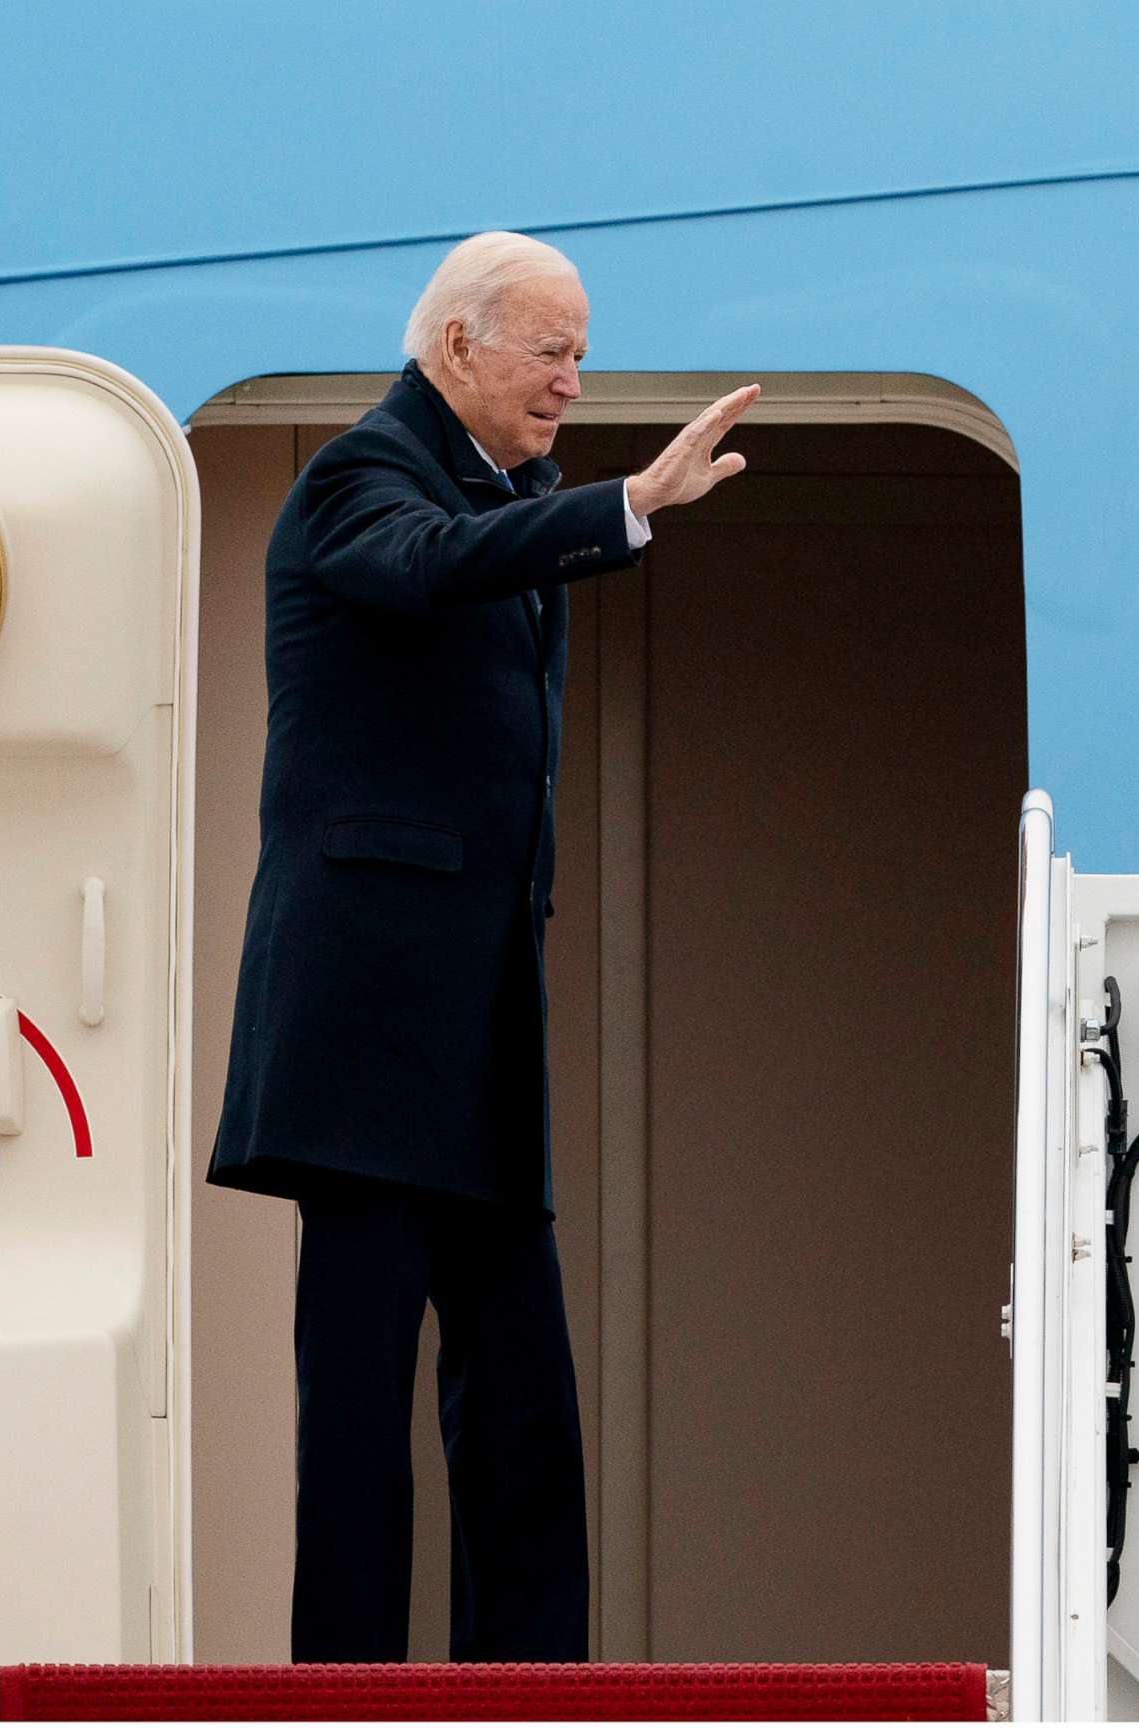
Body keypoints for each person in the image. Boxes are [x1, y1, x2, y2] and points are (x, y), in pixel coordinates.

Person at [208, 231, 756, 1662]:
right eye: (551, 350)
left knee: (519, 1380)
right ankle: (344, 1685)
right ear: (458, 346)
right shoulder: (361, 476)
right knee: (362, 1385)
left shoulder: (496, 487)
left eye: (582, 351)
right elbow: (427, 567)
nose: (574, 379)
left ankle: (530, 1679)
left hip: (475, 1015)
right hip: (369, 1016)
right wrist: (625, 505)